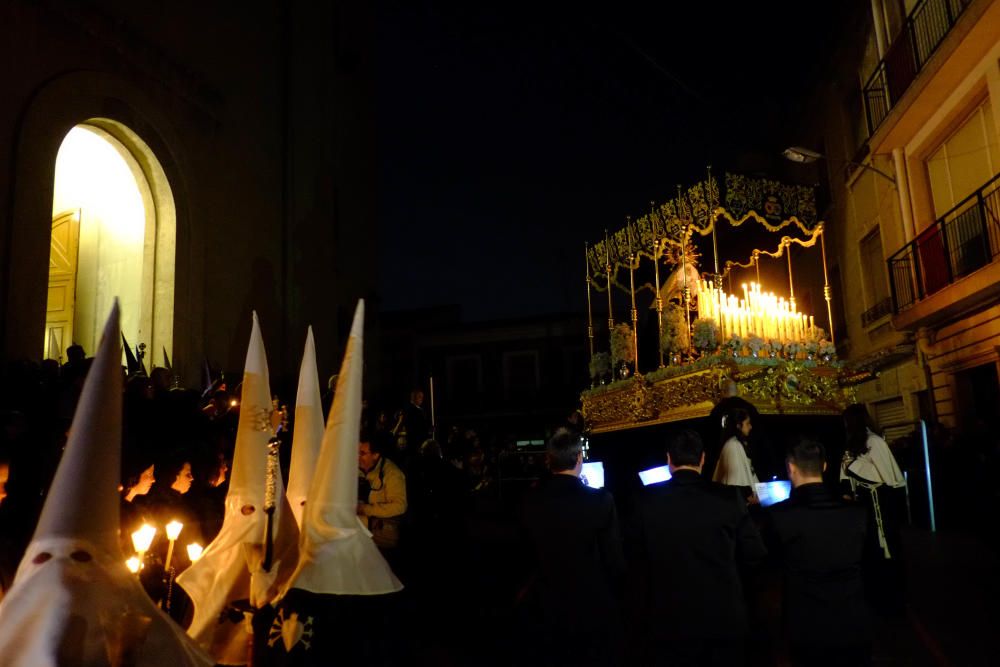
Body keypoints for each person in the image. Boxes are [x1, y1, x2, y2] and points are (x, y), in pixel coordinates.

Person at [633, 429, 766, 666]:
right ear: (703, 459)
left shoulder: (647, 500)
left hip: (668, 617)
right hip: (722, 616)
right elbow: (754, 554)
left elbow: (635, 556)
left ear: (669, 460)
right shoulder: (729, 498)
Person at [521, 428, 625, 666]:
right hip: (591, 602)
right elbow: (614, 561)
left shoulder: (530, 501)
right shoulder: (601, 500)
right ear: (579, 458)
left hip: (546, 601)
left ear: (549, 460)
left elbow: (525, 553)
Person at [766, 438, 871, 666]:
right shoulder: (857, 513)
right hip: (853, 620)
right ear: (824, 466)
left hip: (805, 624)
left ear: (790, 468)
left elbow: (770, 565)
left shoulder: (779, 516)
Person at [841, 403, 907, 615]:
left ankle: (890, 597)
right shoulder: (853, 443)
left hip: (878, 504)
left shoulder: (875, 442)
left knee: (883, 547)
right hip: (863, 504)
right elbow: (846, 473)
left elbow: (887, 477)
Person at [357, 434, 407, 554]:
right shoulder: (355, 469)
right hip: (358, 534)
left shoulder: (392, 474)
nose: (358, 457)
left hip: (379, 539)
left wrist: (366, 509)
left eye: (363, 453)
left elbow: (400, 506)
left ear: (375, 455)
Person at [713, 407, 760, 502]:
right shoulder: (733, 445)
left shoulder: (737, 444)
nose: (750, 427)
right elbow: (735, 484)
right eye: (747, 423)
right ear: (738, 425)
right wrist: (747, 496)